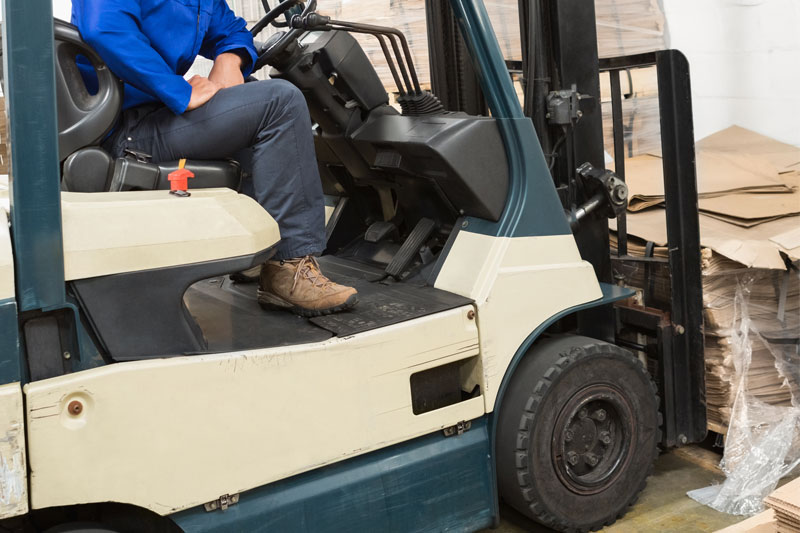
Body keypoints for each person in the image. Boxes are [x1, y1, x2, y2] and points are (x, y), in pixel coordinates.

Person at [72, 0, 358, 317]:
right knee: (281, 103)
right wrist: (179, 90)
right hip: (122, 126)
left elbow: (231, 28)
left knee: (250, 95)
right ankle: (289, 268)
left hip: (154, 114)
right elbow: (104, 27)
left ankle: (259, 249)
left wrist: (229, 60)